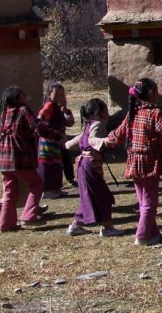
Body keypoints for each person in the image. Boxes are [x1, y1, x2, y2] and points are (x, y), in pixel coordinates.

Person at [102, 78, 162, 245]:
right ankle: (142, 236)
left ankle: (153, 232)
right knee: (150, 202)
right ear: (152, 92)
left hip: (134, 162)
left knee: (143, 200)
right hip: (148, 162)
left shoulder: (132, 114)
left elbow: (117, 135)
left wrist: (101, 142)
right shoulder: (154, 113)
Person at [0, 86, 58, 231]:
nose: (25, 95)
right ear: (16, 98)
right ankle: (29, 216)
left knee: (9, 190)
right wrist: (56, 136)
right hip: (18, 156)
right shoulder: (23, 110)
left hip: (2, 158)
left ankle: (6, 224)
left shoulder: (4, 112)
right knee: (36, 184)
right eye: (22, 94)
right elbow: (38, 127)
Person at [64, 99, 122, 237]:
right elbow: (92, 139)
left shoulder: (89, 125)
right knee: (103, 196)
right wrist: (106, 141)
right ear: (99, 112)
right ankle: (107, 228)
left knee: (89, 195)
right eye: (106, 110)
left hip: (84, 166)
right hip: (90, 166)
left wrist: (66, 143)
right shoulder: (98, 124)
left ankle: (76, 226)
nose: (108, 113)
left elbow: (80, 139)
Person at [36, 82, 75, 199]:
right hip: (48, 142)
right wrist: (50, 132)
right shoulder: (49, 106)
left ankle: (54, 189)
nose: (60, 97)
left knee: (56, 165)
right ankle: (47, 190)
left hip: (57, 142)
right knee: (48, 167)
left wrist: (66, 112)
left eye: (62, 94)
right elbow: (39, 120)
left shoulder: (58, 108)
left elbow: (68, 123)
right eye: (56, 94)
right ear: (49, 94)